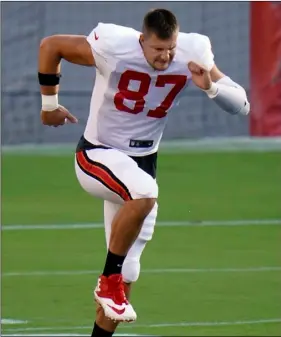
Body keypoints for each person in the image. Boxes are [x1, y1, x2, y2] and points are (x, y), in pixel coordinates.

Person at [38, 8, 250, 336]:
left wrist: (210, 87)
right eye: (157, 50)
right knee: (145, 194)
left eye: (170, 49)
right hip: (97, 156)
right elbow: (51, 46)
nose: (165, 56)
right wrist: (49, 106)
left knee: (127, 276)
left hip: (141, 165)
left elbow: (242, 105)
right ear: (142, 41)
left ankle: (111, 290)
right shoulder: (115, 45)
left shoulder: (192, 52)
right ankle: (107, 283)